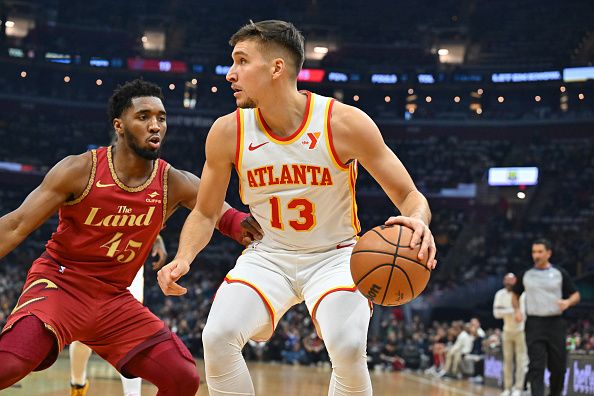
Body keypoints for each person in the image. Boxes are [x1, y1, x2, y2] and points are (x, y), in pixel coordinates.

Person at [157, 20, 437, 396]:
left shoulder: (343, 123)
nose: (230, 74)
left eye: (241, 61)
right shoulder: (227, 131)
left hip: (335, 256)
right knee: (217, 336)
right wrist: (184, 256)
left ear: (277, 68)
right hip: (269, 255)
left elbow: (409, 195)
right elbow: (206, 212)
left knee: (349, 347)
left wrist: (419, 221)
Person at [0, 79, 262, 395]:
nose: (155, 125)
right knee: (10, 366)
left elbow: (225, 215)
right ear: (119, 125)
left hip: (113, 300)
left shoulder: (172, 181)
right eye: (143, 117)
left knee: (182, 378)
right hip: (61, 286)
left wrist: (253, 228)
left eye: (161, 118)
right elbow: (15, 226)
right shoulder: (79, 170)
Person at [69, 237, 167, 396]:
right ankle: (77, 385)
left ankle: (132, 394)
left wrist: (157, 239)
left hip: (129, 270)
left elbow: (152, 217)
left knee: (131, 338)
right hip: (95, 265)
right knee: (82, 337)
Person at [512, 239, 580, 396]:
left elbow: (576, 294)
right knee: (536, 366)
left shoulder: (559, 273)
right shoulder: (526, 274)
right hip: (534, 324)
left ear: (548, 253)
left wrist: (568, 302)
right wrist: (517, 310)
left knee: (558, 367)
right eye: (534, 252)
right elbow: (515, 295)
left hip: (555, 323)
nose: (536, 255)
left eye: (540, 252)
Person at [493, 273, 527, 396]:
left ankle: (518, 388)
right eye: (507, 281)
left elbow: (523, 315)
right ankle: (507, 388)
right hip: (507, 330)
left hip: (521, 331)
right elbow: (496, 314)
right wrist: (512, 310)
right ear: (504, 282)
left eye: (511, 281)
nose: (509, 283)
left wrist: (505, 310)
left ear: (515, 282)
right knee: (507, 360)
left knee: (521, 360)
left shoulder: (523, 295)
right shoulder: (500, 294)